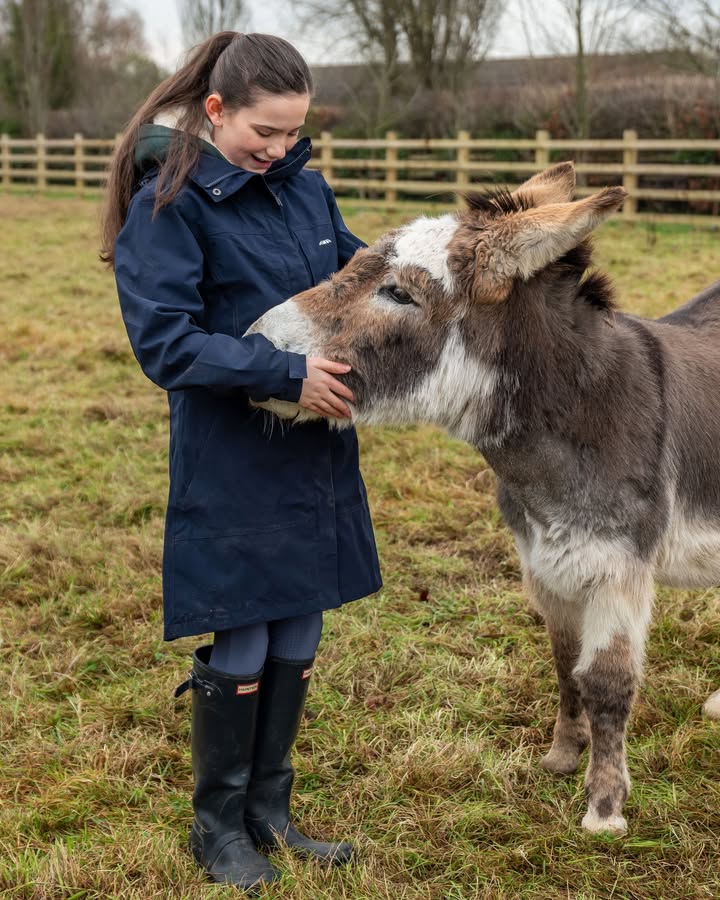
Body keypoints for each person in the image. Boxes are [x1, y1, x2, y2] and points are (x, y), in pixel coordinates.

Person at [101, 31, 382, 892]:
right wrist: (289, 372)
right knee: (248, 621)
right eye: (265, 133)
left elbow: (352, 276)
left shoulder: (303, 189)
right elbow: (167, 343)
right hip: (232, 449)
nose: (281, 149)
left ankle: (271, 810)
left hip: (314, 442)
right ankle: (217, 825)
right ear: (215, 110)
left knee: (300, 616)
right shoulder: (170, 202)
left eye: (294, 134)